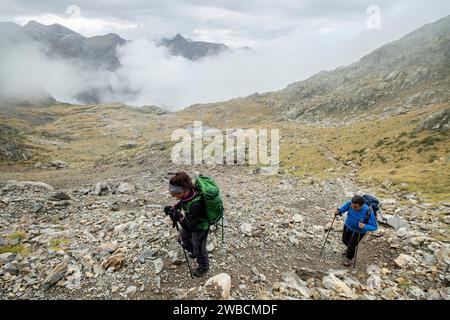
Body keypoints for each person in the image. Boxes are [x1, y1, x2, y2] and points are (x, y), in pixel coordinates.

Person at [164, 171, 210, 277]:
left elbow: (191, 228)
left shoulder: (196, 204)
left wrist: (179, 217)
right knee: (184, 239)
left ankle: (204, 267)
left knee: (199, 247)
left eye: (175, 193)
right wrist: (173, 208)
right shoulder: (188, 194)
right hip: (191, 222)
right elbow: (183, 202)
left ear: (183, 191)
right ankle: (195, 252)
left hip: (201, 227)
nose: (172, 195)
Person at [335, 195, 378, 266]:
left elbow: (374, 227)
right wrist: (339, 210)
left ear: (361, 205)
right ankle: (349, 249)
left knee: (352, 245)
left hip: (359, 231)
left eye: (355, 207)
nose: (353, 207)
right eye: (352, 206)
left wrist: (365, 226)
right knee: (344, 240)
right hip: (348, 226)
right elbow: (344, 207)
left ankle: (349, 258)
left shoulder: (368, 212)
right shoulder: (351, 204)